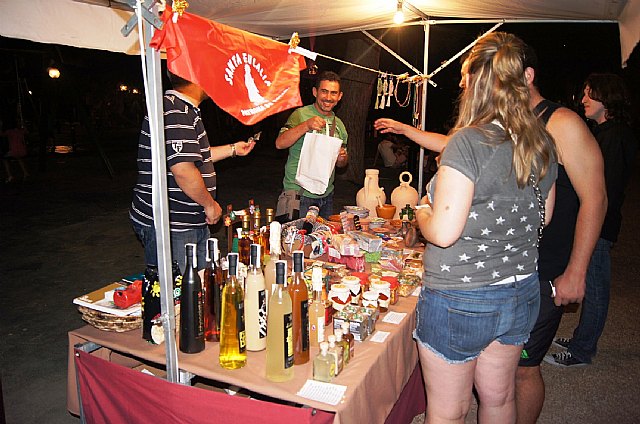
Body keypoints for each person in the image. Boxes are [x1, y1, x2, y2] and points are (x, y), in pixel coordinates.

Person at [414, 32, 557, 423]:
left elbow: (444, 233)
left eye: (465, 77)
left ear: (477, 82)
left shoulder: (466, 142)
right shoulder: (541, 141)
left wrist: (422, 211)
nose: (461, 85)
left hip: (461, 298)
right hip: (520, 291)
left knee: (449, 410)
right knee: (499, 398)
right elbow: (543, 217)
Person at [514, 49, 607, 423]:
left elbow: (595, 199)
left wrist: (576, 272)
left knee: (523, 368)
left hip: (543, 272)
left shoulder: (562, 122)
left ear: (527, 75)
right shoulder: (505, 122)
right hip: (503, 268)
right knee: (497, 365)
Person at [544, 73, 637, 368]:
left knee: (594, 288)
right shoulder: (602, 132)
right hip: (595, 223)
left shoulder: (615, 136)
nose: (583, 99)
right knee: (593, 284)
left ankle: (583, 350)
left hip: (599, 226)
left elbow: (602, 192)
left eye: (589, 93)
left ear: (606, 97)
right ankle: (581, 338)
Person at [129, 72, 256, 272]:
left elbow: (196, 155)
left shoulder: (184, 109)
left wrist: (233, 149)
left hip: (188, 221)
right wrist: (209, 204)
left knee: (202, 282)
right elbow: (183, 170)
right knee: (182, 288)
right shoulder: (175, 110)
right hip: (174, 224)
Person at [275, 71, 348, 219]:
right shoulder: (300, 114)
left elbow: (342, 164)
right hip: (298, 194)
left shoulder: (339, 125)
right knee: (295, 235)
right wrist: (306, 125)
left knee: (323, 235)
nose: (328, 97)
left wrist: (342, 158)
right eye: (324, 91)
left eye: (333, 93)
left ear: (340, 96)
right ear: (315, 92)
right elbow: (280, 143)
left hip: (326, 196)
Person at [1, 116, 30, 183]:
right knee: (19, 158)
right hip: (22, 151)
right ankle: (25, 173)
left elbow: (1, 134)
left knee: (4, 159)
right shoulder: (21, 131)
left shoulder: (9, 132)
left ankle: (10, 175)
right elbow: (27, 132)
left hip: (14, 151)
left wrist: (1, 125)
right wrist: (24, 125)